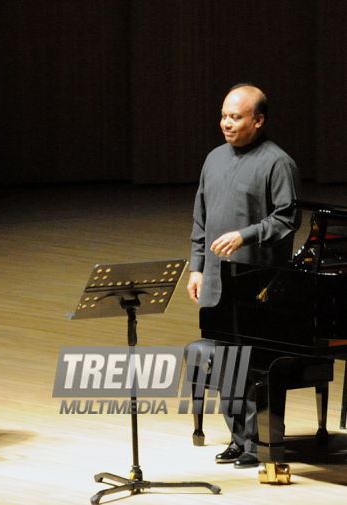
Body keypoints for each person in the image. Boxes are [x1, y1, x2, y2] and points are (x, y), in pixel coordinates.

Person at [186, 84, 302, 468]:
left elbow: (287, 219)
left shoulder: (277, 162)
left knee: (252, 366)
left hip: (258, 284)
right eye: (223, 116)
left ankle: (257, 444)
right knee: (225, 366)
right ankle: (238, 439)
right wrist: (198, 266)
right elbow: (200, 219)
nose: (226, 123)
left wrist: (245, 235)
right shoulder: (214, 159)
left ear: (258, 120)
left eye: (236, 117)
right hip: (219, 282)